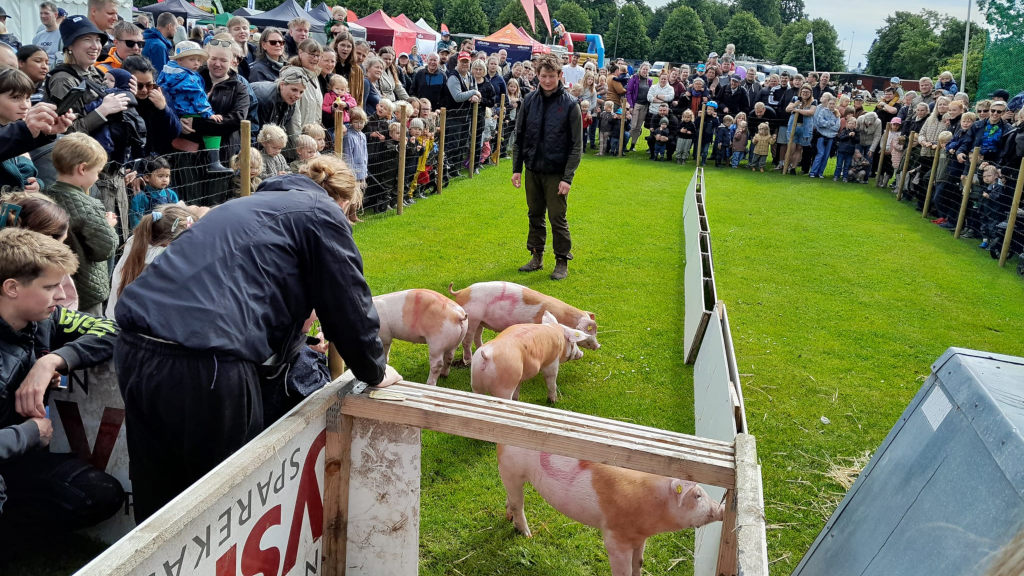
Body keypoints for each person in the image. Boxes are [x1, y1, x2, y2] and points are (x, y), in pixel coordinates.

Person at [114, 154, 401, 522]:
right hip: (207, 360)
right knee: (223, 502)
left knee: (158, 491)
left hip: (136, 343)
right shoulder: (321, 212)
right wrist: (374, 370)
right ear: (343, 201)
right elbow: (347, 302)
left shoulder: (241, 205)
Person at [0, 226, 124, 542]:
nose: (61, 295)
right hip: (17, 445)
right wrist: (29, 433)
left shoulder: (46, 318)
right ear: (12, 287)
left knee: (98, 492)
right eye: (50, 286)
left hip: (17, 462)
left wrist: (50, 362)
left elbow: (113, 331)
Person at [511, 53, 583, 281]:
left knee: (557, 217)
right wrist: (517, 169)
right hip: (532, 169)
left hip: (556, 172)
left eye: (552, 76)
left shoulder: (571, 105)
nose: (548, 80)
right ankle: (536, 256)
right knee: (534, 214)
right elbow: (520, 136)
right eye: (544, 76)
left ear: (560, 75)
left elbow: (576, 146)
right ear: (537, 76)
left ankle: (561, 260)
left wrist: (567, 178)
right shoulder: (530, 100)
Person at [43, 133, 117, 314]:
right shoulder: (89, 205)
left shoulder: (45, 196)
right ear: (82, 169)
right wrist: (108, 226)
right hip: (86, 291)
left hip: (55, 286)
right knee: (88, 335)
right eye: (97, 172)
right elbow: (105, 248)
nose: (97, 178)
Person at [158, 41, 229, 172]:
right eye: (192, 59)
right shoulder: (190, 77)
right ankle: (214, 163)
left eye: (198, 60)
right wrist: (209, 114)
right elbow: (198, 97)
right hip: (190, 110)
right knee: (213, 130)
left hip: (177, 112)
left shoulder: (167, 72)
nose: (196, 63)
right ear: (179, 60)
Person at [122, 55, 181, 156]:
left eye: (149, 85)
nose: (144, 90)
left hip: (157, 159)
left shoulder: (158, 96)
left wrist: (164, 109)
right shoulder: (121, 100)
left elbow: (175, 132)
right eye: (139, 85)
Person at [251, 67, 305, 146]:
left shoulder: (290, 101)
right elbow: (255, 132)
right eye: (294, 90)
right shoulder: (266, 99)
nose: (298, 95)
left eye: (301, 92)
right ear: (282, 85)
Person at [127, 155, 176, 228]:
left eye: (167, 176)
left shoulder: (171, 194)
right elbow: (136, 221)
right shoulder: (141, 197)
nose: (165, 180)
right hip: (148, 233)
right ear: (147, 177)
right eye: (160, 176)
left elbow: (177, 213)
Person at [809, 92, 840, 178]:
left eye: (833, 104)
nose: (831, 105)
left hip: (831, 137)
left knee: (826, 155)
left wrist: (827, 125)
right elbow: (820, 123)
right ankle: (813, 172)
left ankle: (820, 173)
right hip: (822, 136)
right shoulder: (822, 111)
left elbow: (836, 127)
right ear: (828, 103)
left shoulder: (837, 114)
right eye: (830, 103)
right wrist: (830, 123)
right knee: (820, 154)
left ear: (835, 104)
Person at [33, 1, 62, 68]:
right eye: (41, 13)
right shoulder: (37, 37)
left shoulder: (63, 35)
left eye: (46, 13)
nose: (43, 16)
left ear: (55, 15)